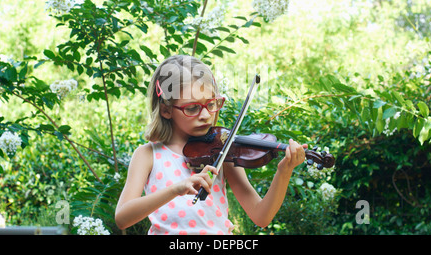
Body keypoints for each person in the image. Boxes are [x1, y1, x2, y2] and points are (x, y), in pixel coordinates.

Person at [115, 55, 306, 235]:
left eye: (212, 104)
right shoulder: (148, 155)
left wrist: (284, 171)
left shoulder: (222, 151)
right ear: (166, 110)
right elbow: (122, 218)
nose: (206, 115)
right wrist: (176, 189)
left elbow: (261, 216)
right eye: (192, 108)